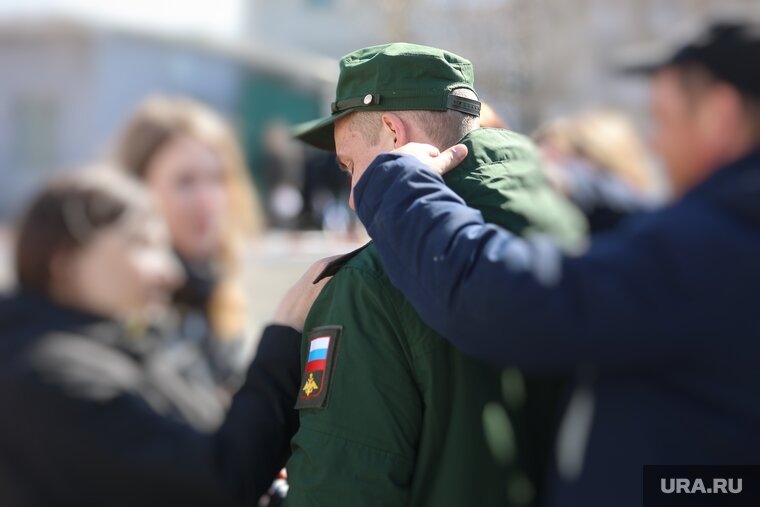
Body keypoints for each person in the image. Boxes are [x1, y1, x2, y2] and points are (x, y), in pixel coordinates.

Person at [349, 21, 760, 507]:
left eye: (664, 121)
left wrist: (400, 187)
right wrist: (573, 186)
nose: (654, 144)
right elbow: (661, 240)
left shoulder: (713, 250)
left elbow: (505, 300)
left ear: (720, 116)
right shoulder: (729, 232)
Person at [284, 43, 587, 506]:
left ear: (392, 133)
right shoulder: (577, 227)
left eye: (350, 166)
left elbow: (341, 487)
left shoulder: (371, 282)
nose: (351, 198)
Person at [0, 166, 331, 506]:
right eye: (142, 244)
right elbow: (217, 481)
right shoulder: (49, 378)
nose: (170, 274)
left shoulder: (110, 348)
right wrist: (285, 335)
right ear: (65, 260)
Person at [114, 96, 263, 392]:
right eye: (185, 181)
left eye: (218, 179)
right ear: (136, 190)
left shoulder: (212, 283)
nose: (208, 201)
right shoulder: (121, 305)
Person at [534, 108, 660, 232]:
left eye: (581, 154)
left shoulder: (633, 208)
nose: (573, 164)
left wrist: (564, 180)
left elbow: (602, 190)